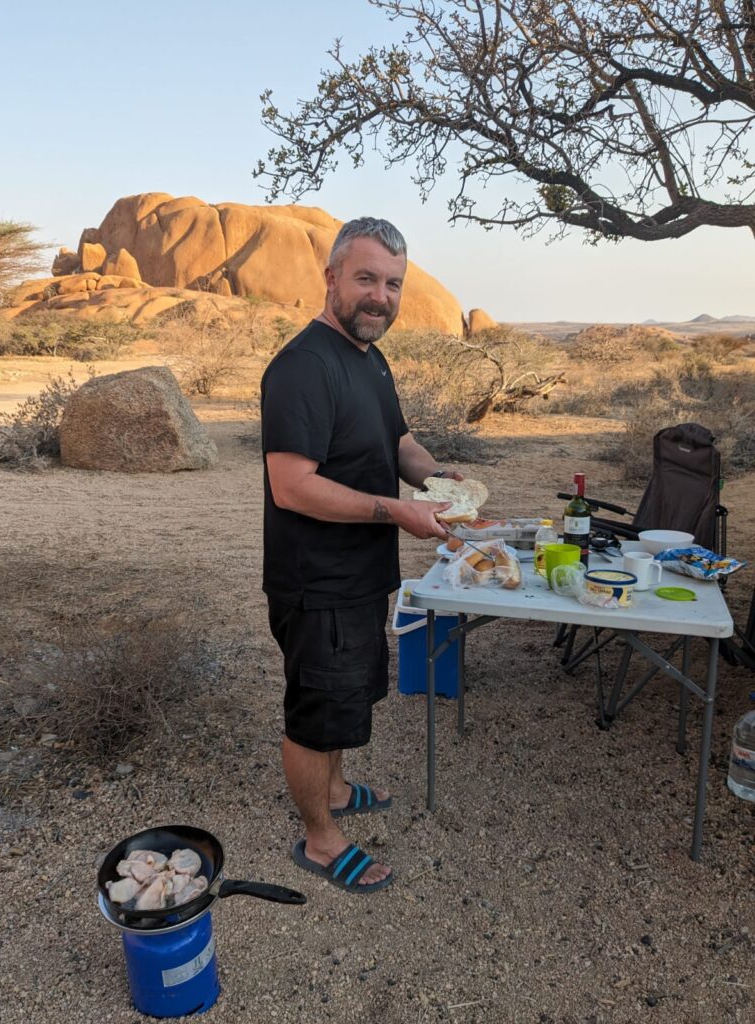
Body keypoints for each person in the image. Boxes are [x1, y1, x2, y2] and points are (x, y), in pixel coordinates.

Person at [261, 217, 463, 894]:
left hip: (359, 573)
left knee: (344, 696)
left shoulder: (370, 359)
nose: (382, 296)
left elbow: (398, 441)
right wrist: (396, 511)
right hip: (316, 579)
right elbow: (291, 486)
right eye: (368, 278)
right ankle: (320, 839)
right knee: (315, 714)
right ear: (333, 278)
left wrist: (437, 482)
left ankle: (338, 791)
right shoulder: (302, 367)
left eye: (394, 284)